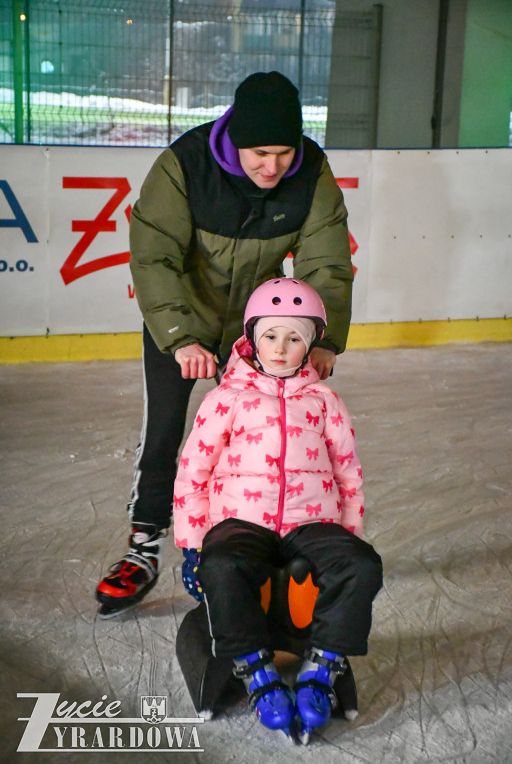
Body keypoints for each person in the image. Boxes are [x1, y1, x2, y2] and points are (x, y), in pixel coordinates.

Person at [95, 71, 355, 618]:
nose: (273, 167)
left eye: (284, 152)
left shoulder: (312, 173)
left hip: (255, 331)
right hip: (181, 317)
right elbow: (153, 255)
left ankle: (253, 543)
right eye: (260, 152)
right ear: (236, 138)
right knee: (167, 429)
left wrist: (322, 339)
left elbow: (325, 263)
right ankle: (143, 549)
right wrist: (180, 336)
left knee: (264, 434)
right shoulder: (183, 164)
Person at [174, 278, 383, 743]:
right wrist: (192, 544)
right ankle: (254, 668)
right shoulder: (226, 399)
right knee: (222, 564)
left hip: (312, 521)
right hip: (240, 520)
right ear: (252, 338)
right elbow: (193, 474)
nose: (281, 348)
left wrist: (350, 534)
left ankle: (322, 665)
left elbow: (348, 474)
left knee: (362, 565)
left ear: (309, 345)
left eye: (294, 338)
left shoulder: (325, 401)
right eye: (270, 335)